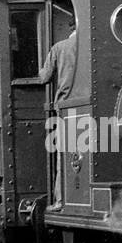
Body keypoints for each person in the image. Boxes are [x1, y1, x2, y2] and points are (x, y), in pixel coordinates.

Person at [37, 15, 77, 211]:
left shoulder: (59, 47)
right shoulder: (91, 45)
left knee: (63, 156)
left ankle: (61, 200)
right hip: (92, 107)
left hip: (66, 108)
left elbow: (44, 77)